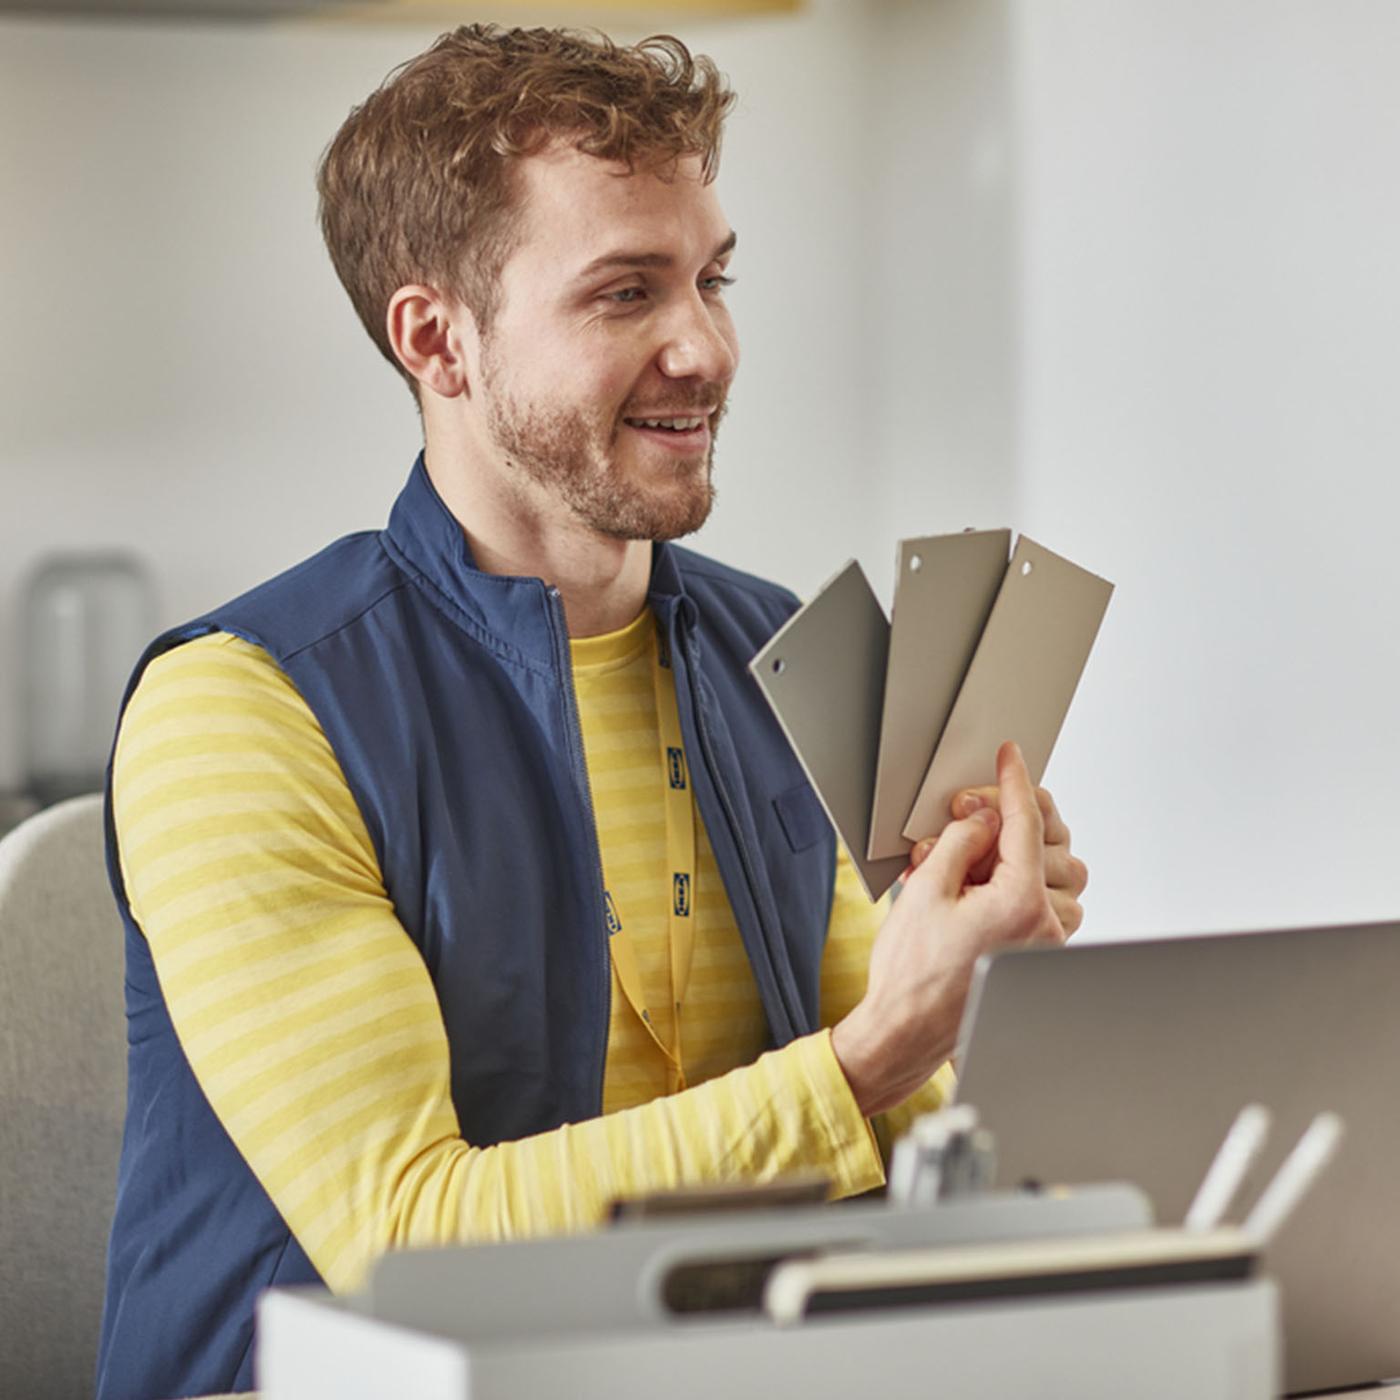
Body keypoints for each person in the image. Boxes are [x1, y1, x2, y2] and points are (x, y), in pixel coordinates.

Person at [95, 25, 1087, 1400]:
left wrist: (983, 988)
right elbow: (406, 1244)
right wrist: (872, 1054)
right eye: (626, 293)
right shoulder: (241, 711)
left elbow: (907, 1157)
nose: (706, 348)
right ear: (437, 339)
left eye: (712, 279)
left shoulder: (787, 653)